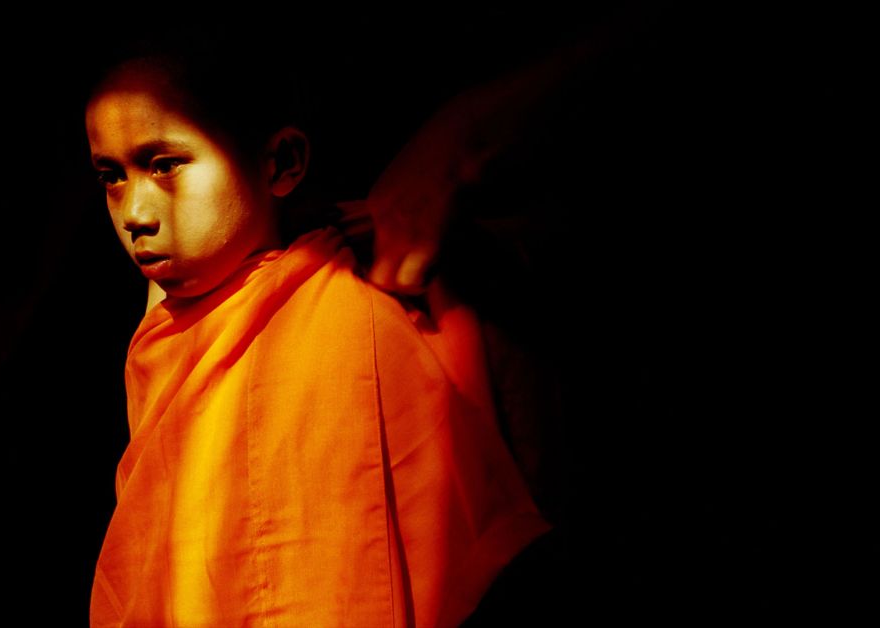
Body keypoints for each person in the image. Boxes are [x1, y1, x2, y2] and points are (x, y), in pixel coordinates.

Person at [84, 28, 553, 627]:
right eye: (111, 176)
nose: (136, 214)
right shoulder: (161, 340)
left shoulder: (364, 305)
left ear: (281, 162)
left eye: (164, 165)